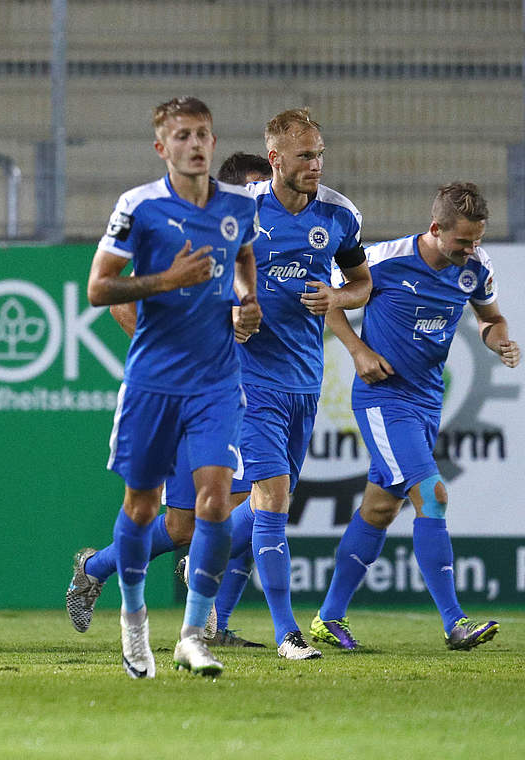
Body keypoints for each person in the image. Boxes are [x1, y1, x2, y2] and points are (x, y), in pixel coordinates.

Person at [84, 97, 260, 678]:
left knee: (214, 503)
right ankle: (134, 621)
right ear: (162, 147)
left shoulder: (237, 204)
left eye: (203, 134)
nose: (195, 144)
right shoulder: (138, 207)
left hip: (216, 379)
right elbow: (99, 289)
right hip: (154, 381)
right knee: (142, 507)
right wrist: (168, 280)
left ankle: (192, 635)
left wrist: (247, 300)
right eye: (182, 135)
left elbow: (243, 258)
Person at [197, 108, 372, 660]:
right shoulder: (239, 212)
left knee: (268, 507)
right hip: (248, 381)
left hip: (305, 383)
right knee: (272, 501)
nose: (315, 165)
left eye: (319, 154)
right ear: (275, 159)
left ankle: (193, 548)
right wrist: (232, 314)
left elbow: (361, 281)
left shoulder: (341, 215)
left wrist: (338, 298)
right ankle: (286, 632)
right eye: (304, 156)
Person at [310, 182, 513, 651]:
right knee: (432, 494)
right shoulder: (384, 260)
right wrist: (358, 351)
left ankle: (328, 617)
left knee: (380, 509)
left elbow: (490, 319)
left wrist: (497, 339)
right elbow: (330, 303)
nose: (471, 250)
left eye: (477, 241)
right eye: (463, 241)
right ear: (435, 228)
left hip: (426, 403)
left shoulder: (475, 270)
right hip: (383, 399)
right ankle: (454, 621)